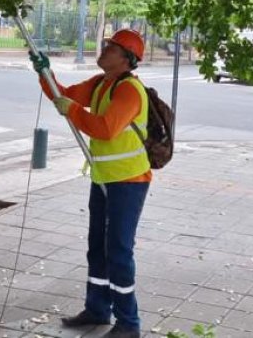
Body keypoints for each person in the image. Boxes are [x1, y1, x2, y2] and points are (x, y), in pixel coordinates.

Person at [30, 29, 151, 338]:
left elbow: (106, 129)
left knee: (119, 251)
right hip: (103, 177)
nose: (104, 49)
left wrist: (72, 110)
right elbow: (63, 94)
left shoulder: (129, 90)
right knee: (97, 246)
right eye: (106, 44)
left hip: (129, 181)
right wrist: (45, 73)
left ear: (126, 58)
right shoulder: (100, 83)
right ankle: (97, 308)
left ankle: (129, 323)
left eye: (111, 47)